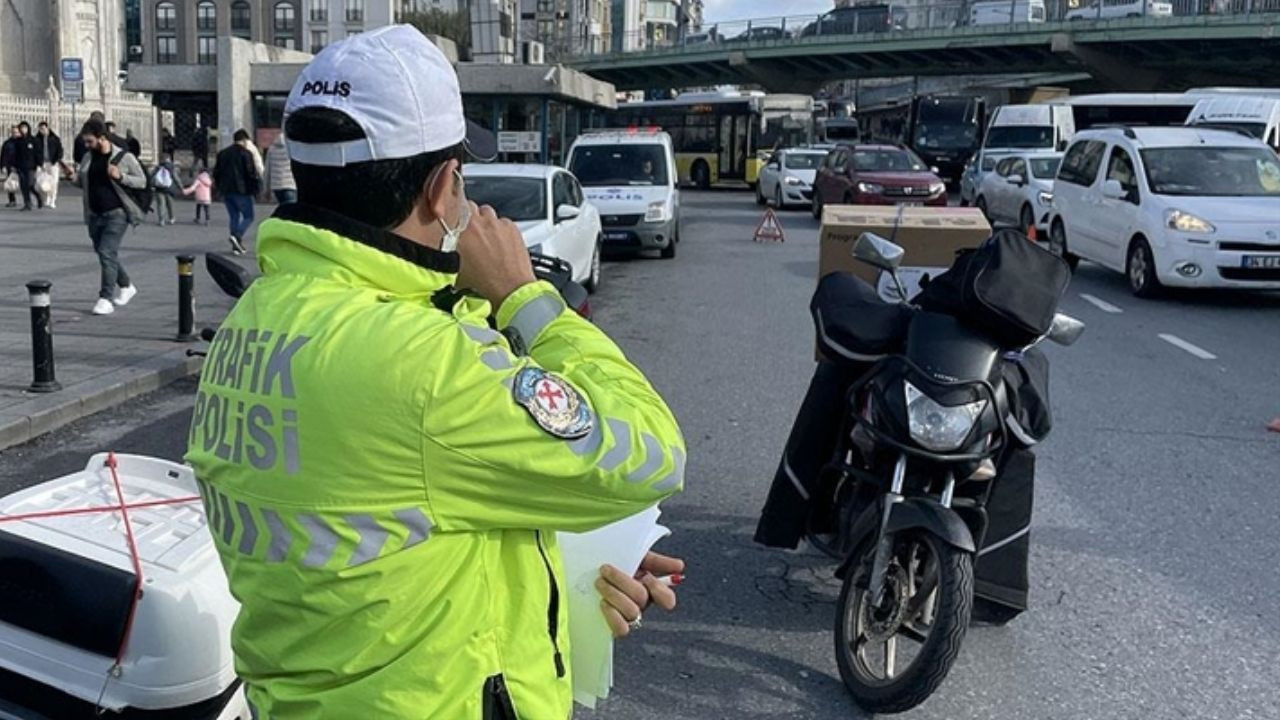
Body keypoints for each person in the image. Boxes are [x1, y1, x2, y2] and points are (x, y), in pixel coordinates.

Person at [184, 25, 686, 719]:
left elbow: (388, 522)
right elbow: (650, 452)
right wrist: (526, 298)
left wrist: (572, 565)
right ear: (442, 185)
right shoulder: (422, 361)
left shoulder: (260, 317)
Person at [66, 119, 144, 316]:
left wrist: (121, 176)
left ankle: (105, 298)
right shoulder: (87, 157)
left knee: (106, 252)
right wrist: (73, 178)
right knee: (104, 253)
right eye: (85, 142)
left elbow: (142, 181)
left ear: (102, 138)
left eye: (90, 141)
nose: (87, 145)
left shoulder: (123, 157)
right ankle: (126, 286)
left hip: (116, 213)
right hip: (94, 213)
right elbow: (84, 184)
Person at [211, 129, 261, 254]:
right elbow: (250, 173)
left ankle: (236, 245)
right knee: (249, 216)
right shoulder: (246, 153)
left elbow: (216, 172)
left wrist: (219, 187)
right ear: (244, 140)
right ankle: (237, 236)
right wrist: (256, 189)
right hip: (242, 190)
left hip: (226, 190)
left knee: (234, 216)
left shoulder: (222, 153)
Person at [35, 121, 64, 209]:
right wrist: (39, 163)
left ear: (47, 128)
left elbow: (60, 151)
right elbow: (35, 153)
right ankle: (45, 198)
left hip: (52, 163)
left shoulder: (55, 139)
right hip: (41, 163)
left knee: (53, 182)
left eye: (44, 129)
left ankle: (52, 200)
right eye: (40, 129)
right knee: (40, 183)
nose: (42, 131)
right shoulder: (37, 139)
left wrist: (54, 161)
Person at [13, 121, 40, 210]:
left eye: (25, 128)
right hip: (20, 166)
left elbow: (37, 153)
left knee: (30, 184)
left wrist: (39, 164)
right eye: (21, 128)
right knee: (23, 186)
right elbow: (15, 154)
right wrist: (14, 165)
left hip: (31, 166)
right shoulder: (18, 141)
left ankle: (38, 196)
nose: (23, 130)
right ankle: (27, 203)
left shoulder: (34, 140)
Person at [266, 132, 296, 204]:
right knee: (291, 211)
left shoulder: (271, 149)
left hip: (276, 186)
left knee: (282, 209)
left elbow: (267, 170)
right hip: (290, 185)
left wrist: (266, 188)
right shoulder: (291, 149)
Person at [151, 154, 178, 225]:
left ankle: (161, 220)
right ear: (168, 159)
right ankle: (171, 218)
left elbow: (151, 176)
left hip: (159, 189)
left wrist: (150, 185)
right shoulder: (171, 167)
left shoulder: (157, 167)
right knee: (170, 204)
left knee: (160, 205)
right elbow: (176, 178)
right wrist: (181, 187)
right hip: (169, 189)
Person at [2, 125, 17, 207]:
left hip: (20, 166)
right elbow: (3, 155)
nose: (14, 134)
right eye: (13, 132)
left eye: (16, 132)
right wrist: (3, 166)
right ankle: (12, 200)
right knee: (10, 184)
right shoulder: (7, 143)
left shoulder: (22, 142)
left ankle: (28, 200)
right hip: (9, 166)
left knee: (27, 184)